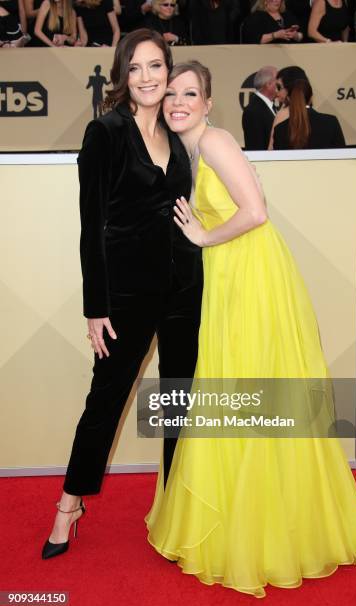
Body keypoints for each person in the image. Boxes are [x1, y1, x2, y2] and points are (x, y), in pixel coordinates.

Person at [145, 60, 356, 598]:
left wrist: (206, 239)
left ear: (209, 102)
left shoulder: (216, 143)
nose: (178, 102)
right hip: (235, 277)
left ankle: (257, 526)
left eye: (191, 94)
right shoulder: (193, 149)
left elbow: (256, 212)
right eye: (171, 95)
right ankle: (247, 514)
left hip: (250, 277)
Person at [41, 29, 203, 560]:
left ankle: (177, 508)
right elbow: (93, 227)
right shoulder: (105, 133)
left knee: (178, 399)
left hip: (184, 287)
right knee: (105, 402)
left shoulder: (180, 133)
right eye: (135, 68)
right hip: (127, 295)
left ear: (168, 69)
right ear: (122, 75)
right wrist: (96, 308)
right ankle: (69, 504)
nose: (148, 77)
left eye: (156, 66)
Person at [270, 66, 346, 149]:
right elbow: (343, 155)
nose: (276, 92)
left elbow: (273, 157)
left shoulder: (280, 128)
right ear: (311, 96)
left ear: (289, 94)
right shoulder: (331, 122)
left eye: (279, 87)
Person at [242, 65, 277, 150]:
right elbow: (256, 147)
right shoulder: (253, 111)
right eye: (278, 81)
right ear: (268, 84)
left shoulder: (272, 107)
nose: (281, 84)